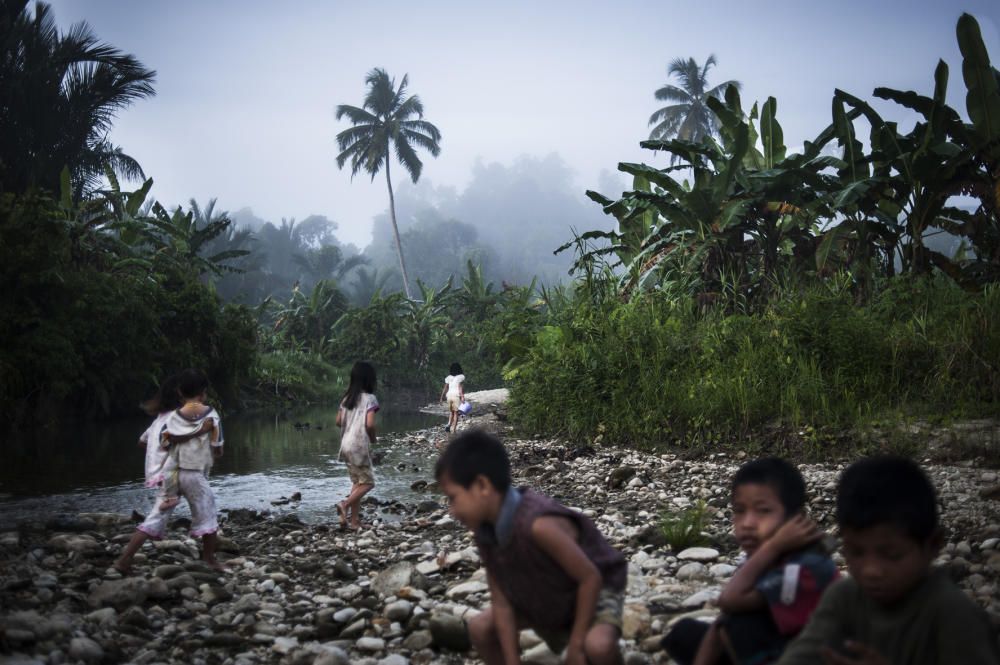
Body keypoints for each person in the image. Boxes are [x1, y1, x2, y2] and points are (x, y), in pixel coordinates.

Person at [776, 456, 1000, 665]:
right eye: (855, 552)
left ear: (933, 546)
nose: (871, 570)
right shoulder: (842, 597)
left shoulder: (953, 615)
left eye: (892, 555)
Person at [436, 430, 625, 665]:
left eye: (453, 498)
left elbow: (590, 579)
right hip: (545, 592)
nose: (452, 511)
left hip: (593, 590)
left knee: (598, 647)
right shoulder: (486, 532)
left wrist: (576, 646)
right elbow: (502, 603)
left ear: (482, 485)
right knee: (481, 628)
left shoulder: (538, 525)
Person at [662, 457, 839, 665]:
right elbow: (721, 622)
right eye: (739, 511)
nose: (747, 523)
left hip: (810, 656)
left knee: (741, 623)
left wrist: (773, 547)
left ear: (795, 519)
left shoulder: (805, 565)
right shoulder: (766, 556)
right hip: (776, 646)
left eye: (763, 511)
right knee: (684, 634)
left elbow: (730, 601)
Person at [115, 369, 226, 573]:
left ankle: (124, 559)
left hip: (169, 474)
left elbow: (148, 441)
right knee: (207, 513)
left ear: (180, 393)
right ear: (202, 394)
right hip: (192, 473)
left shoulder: (166, 418)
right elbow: (218, 447)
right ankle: (209, 558)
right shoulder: (208, 415)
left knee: (156, 516)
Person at [335, 361, 378, 531]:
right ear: (370, 380)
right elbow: (369, 425)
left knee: (357, 482)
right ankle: (344, 504)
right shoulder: (370, 399)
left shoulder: (346, 399)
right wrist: (373, 439)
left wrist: (351, 422)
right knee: (368, 484)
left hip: (345, 445)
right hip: (359, 445)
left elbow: (338, 422)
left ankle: (354, 522)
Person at [439, 362, 465, 434]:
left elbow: (445, 388)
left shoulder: (448, 377)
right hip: (456, 395)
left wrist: (441, 398)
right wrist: (462, 396)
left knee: (451, 412)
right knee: (456, 413)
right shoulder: (461, 377)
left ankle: (448, 424)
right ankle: (453, 430)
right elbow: (460, 387)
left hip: (449, 395)